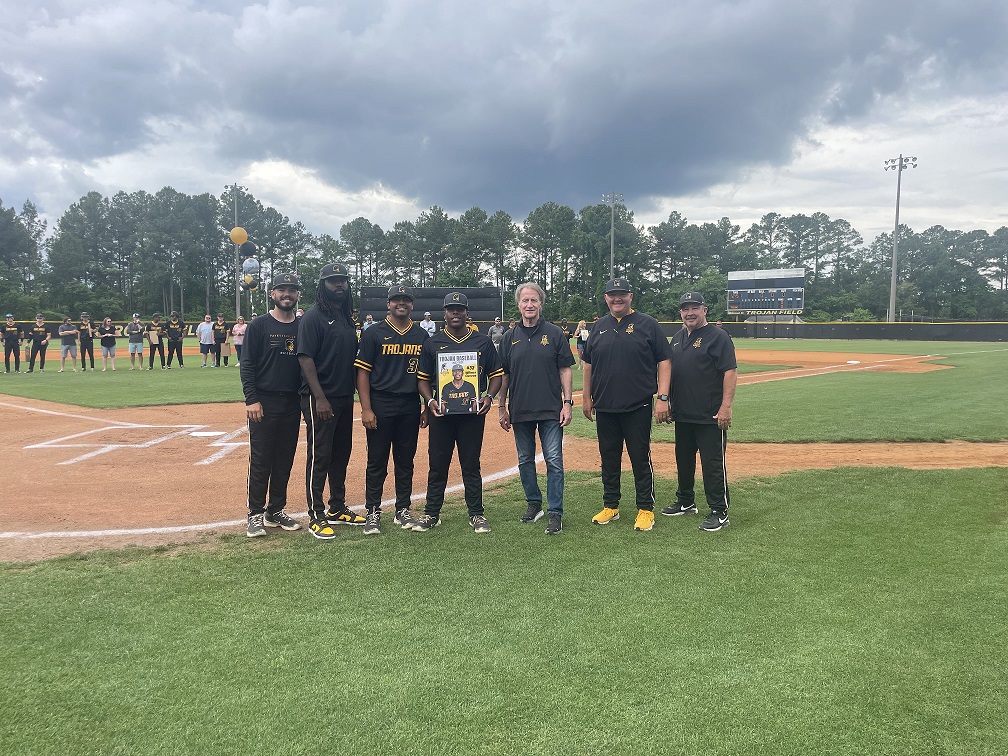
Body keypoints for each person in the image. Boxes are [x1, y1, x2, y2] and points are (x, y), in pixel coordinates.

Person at [582, 277, 671, 532]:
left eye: (622, 294)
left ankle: (645, 508)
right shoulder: (598, 326)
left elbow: (664, 361)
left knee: (639, 458)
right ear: (605, 298)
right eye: (612, 295)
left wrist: (662, 398)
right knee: (609, 458)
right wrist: (586, 397)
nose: (617, 299)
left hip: (637, 405)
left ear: (630, 296)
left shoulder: (648, 324)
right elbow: (588, 364)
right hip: (606, 406)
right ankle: (611, 505)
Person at [414, 292, 503, 534]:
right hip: (441, 414)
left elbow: (496, 375)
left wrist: (489, 397)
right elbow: (422, 379)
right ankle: (432, 513)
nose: (455, 313)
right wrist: (430, 400)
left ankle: (476, 514)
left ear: (466, 312)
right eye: (451, 309)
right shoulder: (432, 342)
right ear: (444, 313)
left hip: (471, 415)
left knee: (471, 464)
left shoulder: (482, 341)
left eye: (460, 309)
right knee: (437, 464)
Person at [497, 283, 575, 535]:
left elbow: (565, 369)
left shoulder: (553, 333)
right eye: (525, 301)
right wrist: (501, 407)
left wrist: (567, 403)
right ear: (518, 304)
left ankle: (555, 512)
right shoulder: (509, 337)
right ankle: (534, 503)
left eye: (534, 300)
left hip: (551, 409)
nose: (529, 305)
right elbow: (504, 376)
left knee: (554, 460)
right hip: (520, 409)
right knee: (524, 460)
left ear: (541, 303)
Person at [354, 284, 430, 535]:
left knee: (405, 460)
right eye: (396, 300)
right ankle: (373, 511)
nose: (401, 303)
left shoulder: (421, 336)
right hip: (381, 402)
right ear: (388, 304)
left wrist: (426, 406)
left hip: (409, 403)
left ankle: (402, 508)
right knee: (376, 460)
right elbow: (362, 373)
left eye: (406, 300)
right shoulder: (374, 333)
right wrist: (366, 408)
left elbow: (427, 376)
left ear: (412, 305)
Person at [298, 262, 365, 540]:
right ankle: (316, 514)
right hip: (320, 398)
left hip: (343, 396)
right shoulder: (313, 317)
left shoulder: (346, 317)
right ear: (322, 286)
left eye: (343, 281)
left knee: (341, 452)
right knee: (320, 454)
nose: (339, 285)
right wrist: (320, 398)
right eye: (333, 281)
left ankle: (337, 507)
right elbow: (305, 358)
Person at [663, 292, 738, 532]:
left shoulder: (718, 336)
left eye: (694, 308)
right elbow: (670, 370)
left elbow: (729, 371)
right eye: (685, 309)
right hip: (683, 414)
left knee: (712, 464)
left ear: (704, 310)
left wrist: (726, 406)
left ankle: (719, 510)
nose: (689, 313)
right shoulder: (676, 338)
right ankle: (686, 501)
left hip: (710, 415)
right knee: (683, 460)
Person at [242, 273, 305, 538]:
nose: (287, 294)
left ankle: (275, 510)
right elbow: (247, 364)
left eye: (292, 290)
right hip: (264, 402)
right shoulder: (259, 325)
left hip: (292, 402)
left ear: (298, 295)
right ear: (272, 294)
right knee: (261, 459)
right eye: (282, 290)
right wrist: (252, 399)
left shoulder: (302, 326)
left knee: (284, 459)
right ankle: (255, 514)